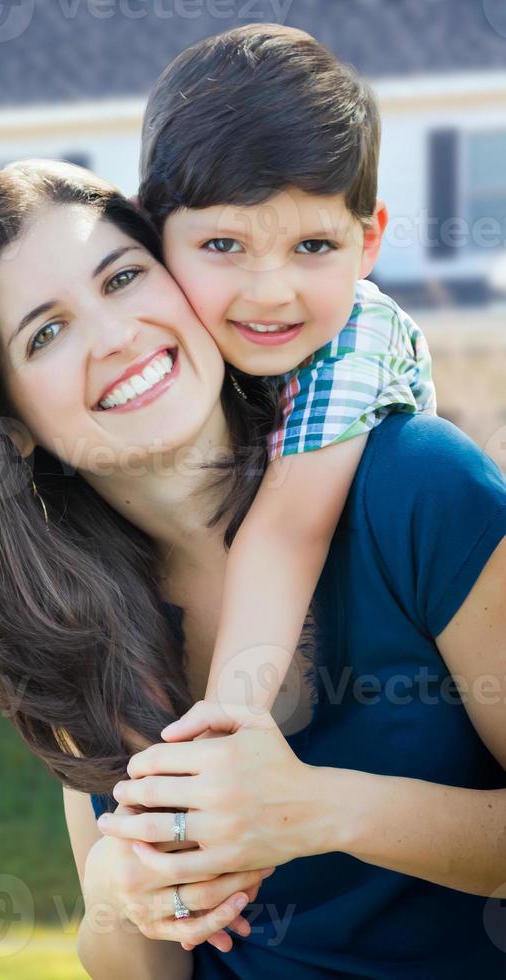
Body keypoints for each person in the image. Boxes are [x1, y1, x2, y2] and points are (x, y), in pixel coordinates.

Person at [0, 158, 506, 976]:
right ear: (7, 424)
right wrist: (119, 892)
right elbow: (143, 961)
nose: (115, 336)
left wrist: (320, 811)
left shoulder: (414, 487)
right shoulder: (72, 623)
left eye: (122, 278)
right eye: (45, 333)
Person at [137, 24, 435, 720]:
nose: (270, 292)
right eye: (222, 243)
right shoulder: (177, 348)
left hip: (382, 642)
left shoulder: (357, 339)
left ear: (366, 242)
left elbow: (288, 533)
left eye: (311, 244)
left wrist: (228, 721)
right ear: (154, 237)